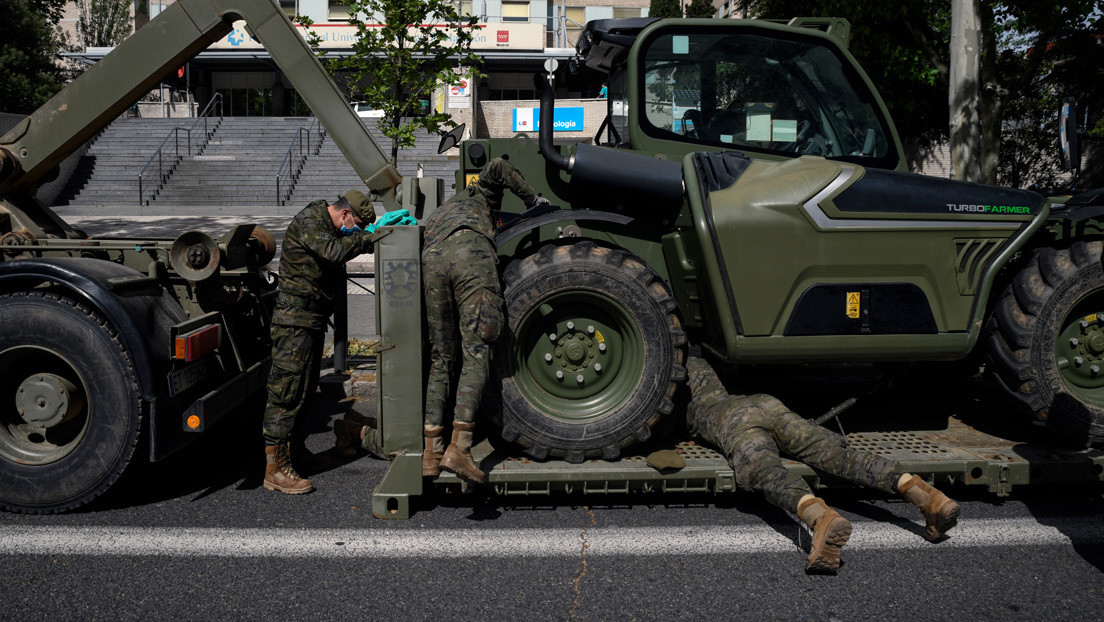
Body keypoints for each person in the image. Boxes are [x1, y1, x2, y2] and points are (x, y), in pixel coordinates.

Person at [683, 355, 961, 574]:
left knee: (764, 470)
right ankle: (929, 498)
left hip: (730, 419)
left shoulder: (677, 367)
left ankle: (820, 517)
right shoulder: (708, 354)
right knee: (836, 455)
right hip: (767, 404)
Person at [418, 157, 547, 484]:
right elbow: (498, 166)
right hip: (470, 253)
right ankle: (459, 449)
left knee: (442, 357)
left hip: (432, 258)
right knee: (477, 350)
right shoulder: (480, 194)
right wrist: (533, 199)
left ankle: (430, 452)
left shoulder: (446, 208)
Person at [262, 189, 378, 495]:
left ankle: (296, 455)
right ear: (345, 214)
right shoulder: (311, 221)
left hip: (308, 320)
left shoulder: (324, 224)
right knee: (285, 392)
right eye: (355, 224)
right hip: (293, 322)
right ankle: (275, 469)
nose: (355, 230)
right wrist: (370, 238)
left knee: (302, 391)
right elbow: (334, 252)